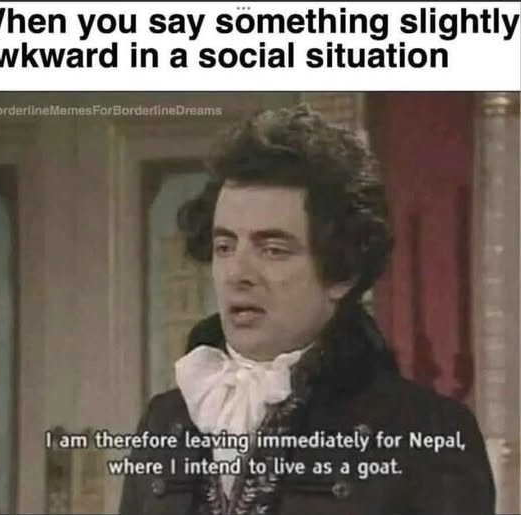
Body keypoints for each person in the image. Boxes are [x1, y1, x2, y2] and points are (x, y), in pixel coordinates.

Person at [119, 104, 495, 515]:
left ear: (342, 273)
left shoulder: (426, 433)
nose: (237, 274)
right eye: (225, 246)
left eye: (273, 250)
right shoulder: (167, 420)